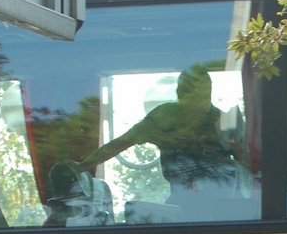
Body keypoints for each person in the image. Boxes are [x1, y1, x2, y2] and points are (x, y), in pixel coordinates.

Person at [81, 65, 252, 218]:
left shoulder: (225, 122)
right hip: (180, 201)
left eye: (203, 95)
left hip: (224, 206)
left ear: (210, 93)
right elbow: (120, 143)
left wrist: (234, 143)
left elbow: (249, 162)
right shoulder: (164, 118)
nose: (198, 103)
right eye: (192, 95)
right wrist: (83, 166)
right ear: (180, 94)